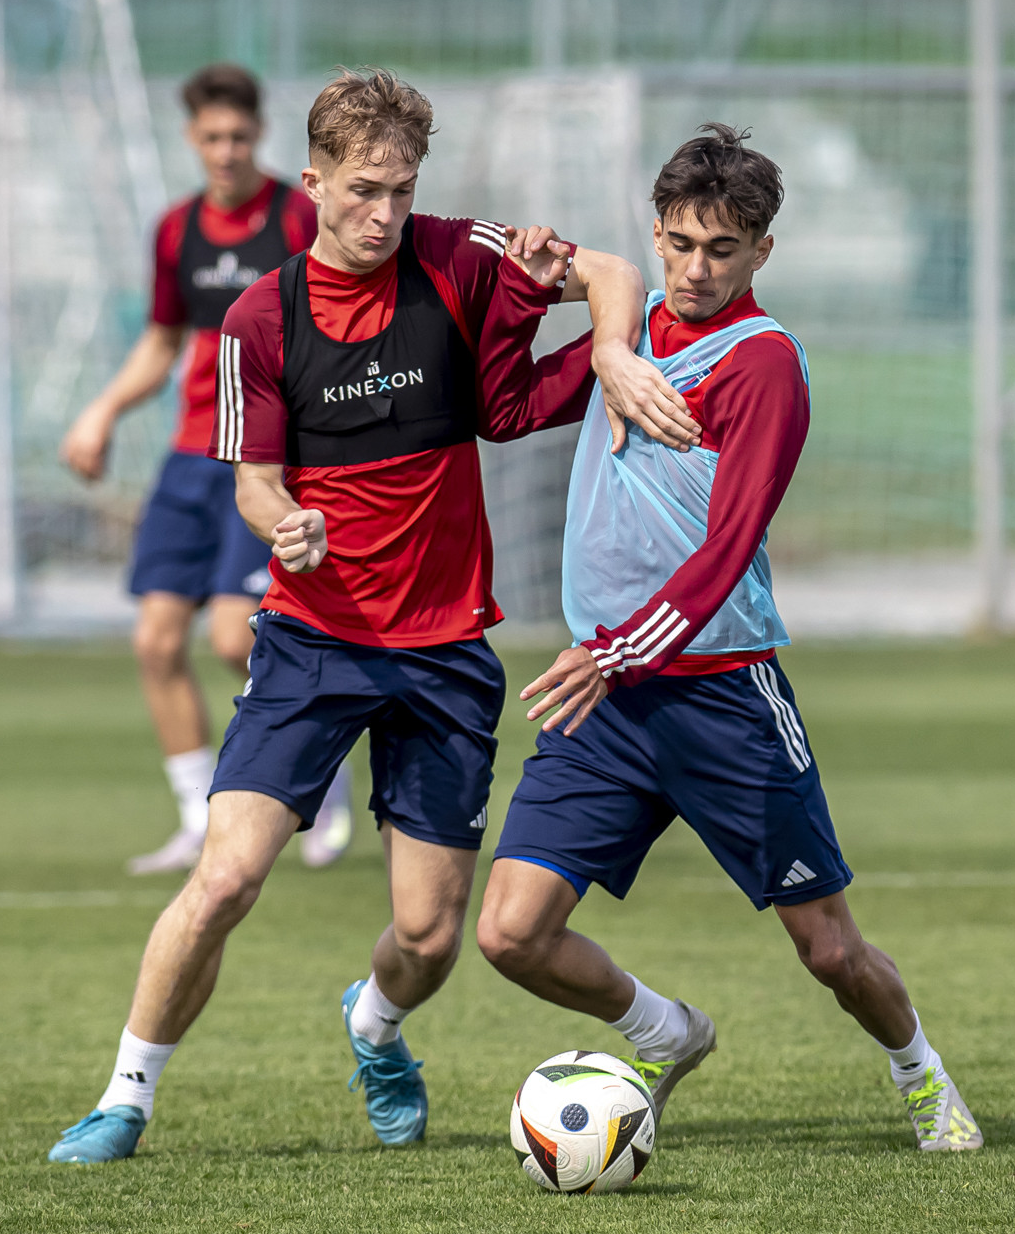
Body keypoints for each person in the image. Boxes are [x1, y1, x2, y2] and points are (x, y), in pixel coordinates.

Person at [47, 68, 693, 1164]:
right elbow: (255, 484)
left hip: (445, 653)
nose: (384, 214)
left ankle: (377, 1025)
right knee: (225, 877)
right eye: (362, 190)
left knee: (430, 937)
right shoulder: (262, 317)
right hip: (314, 642)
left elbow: (617, 270)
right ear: (312, 183)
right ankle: (125, 1097)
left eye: (401, 190)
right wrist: (285, 522)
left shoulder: (454, 252)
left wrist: (613, 348)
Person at [474, 125, 984, 1153]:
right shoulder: (630, 340)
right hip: (608, 701)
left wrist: (613, 649)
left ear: (762, 251)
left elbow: (726, 550)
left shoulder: (763, 363)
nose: (695, 269)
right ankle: (665, 1031)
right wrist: (544, 302)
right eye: (677, 244)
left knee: (830, 952)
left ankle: (919, 1072)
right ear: (656, 235)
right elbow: (505, 406)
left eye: (721, 249)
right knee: (509, 933)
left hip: (721, 700)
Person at [59, 63, 354, 874]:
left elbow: (332, 323)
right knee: (156, 641)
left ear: (259, 135)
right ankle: (197, 816)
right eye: (212, 137)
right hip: (190, 454)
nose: (226, 151)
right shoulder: (175, 231)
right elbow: (163, 341)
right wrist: (102, 411)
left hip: (263, 458)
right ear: (192, 139)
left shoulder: (296, 217)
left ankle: (321, 776)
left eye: (239, 137)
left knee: (234, 637)